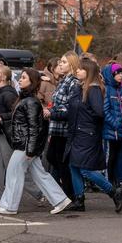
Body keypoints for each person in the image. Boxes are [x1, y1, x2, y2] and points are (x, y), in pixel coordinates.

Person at [0, 69, 72, 215]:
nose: (20, 80)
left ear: (32, 82)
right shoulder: (27, 100)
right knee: (39, 174)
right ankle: (60, 200)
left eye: (24, 77)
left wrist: (30, 150)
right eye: (21, 77)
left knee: (13, 172)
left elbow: (34, 128)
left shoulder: (30, 102)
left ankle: (10, 205)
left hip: (25, 145)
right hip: (27, 144)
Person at [64, 59, 122, 213]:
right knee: (73, 166)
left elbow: (99, 111)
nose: (77, 71)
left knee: (85, 169)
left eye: (80, 69)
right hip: (77, 133)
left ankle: (113, 191)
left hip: (88, 133)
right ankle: (79, 200)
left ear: (88, 72)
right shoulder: (80, 87)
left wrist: (85, 118)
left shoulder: (94, 89)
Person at [0, 64, 41, 206]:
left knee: (16, 168)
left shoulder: (9, 94)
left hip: (7, 136)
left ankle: (40, 193)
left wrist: (2, 117)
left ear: (3, 77)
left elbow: (16, 113)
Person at [45, 51, 81, 200]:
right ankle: (59, 193)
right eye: (60, 61)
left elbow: (70, 107)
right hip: (56, 129)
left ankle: (70, 195)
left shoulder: (74, 82)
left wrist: (51, 112)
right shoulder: (63, 81)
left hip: (65, 129)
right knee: (52, 158)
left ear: (72, 64)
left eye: (64, 62)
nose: (60, 64)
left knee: (62, 162)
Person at [102, 63, 122, 188]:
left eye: (121, 73)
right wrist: (115, 123)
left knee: (118, 156)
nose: (120, 76)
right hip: (111, 130)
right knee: (110, 157)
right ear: (111, 75)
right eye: (117, 73)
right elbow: (105, 110)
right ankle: (108, 183)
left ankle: (116, 181)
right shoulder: (107, 89)